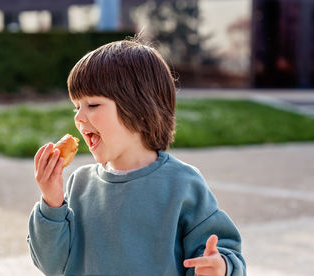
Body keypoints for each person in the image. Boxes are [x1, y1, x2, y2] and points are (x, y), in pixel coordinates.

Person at [27, 38, 246, 276]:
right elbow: (51, 264)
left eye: (92, 104)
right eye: (76, 107)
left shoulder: (182, 183)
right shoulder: (79, 185)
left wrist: (219, 267)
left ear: (139, 111)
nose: (79, 117)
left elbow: (222, 251)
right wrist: (51, 203)